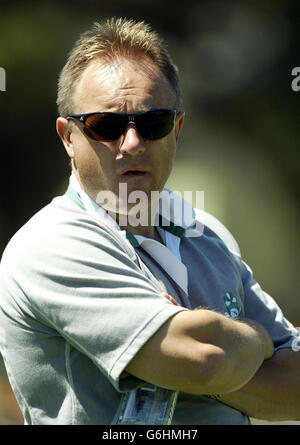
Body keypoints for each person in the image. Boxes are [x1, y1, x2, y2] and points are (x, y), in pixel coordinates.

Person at [0, 17, 299, 426]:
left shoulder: (208, 235)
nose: (133, 143)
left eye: (153, 123)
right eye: (106, 125)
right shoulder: (49, 244)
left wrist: (212, 346)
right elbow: (203, 362)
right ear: (68, 137)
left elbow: (294, 387)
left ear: (176, 130)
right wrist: (256, 341)